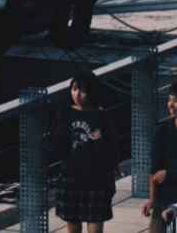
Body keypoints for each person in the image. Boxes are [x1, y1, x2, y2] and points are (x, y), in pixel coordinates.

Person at [54, 71, 117, 233]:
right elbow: (59, 144)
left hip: (97, 177)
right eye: (74, 89)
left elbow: (112, 146)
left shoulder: (101, 115)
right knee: (72, 222)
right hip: (71, 176)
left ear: (91, 91)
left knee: (95, 221)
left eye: (82, 90)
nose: (77, 94)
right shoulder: (65, 112)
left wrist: (99, 140)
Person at [146, 78, 177, 233]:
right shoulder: (161, 131)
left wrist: (169, 175)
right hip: (163, 200)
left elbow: (163, 174)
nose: (170, 104)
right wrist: (152, 200)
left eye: (176, 101)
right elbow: (154, 172)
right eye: (170, 100)